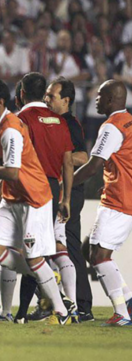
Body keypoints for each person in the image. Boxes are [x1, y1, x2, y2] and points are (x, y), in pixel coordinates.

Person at [0, 78, 71, 325]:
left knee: (32, 258)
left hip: (34, 198)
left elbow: (12, 171)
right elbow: (8, 167)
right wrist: (2, 182)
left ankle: (61, 312)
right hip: (13, 196)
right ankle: (30, 287)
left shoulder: (11, 129)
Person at [12, 73, 75, 323]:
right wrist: (66, 198)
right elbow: (68, 162)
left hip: (29, 187)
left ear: (22, 93)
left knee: (25, 252)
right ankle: (29, 310)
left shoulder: (21, 119)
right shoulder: (60, 121)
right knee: (38, 252)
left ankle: (53, 306)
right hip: (52, 187)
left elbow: (16, 158)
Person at [72, 80, 132, 327]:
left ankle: (121, 314)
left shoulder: (112, 127)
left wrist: (66, 186)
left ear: (110, 99)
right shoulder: (129, 121)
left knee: (98, 255)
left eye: (99, 95)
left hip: (119, 201)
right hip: (122, 195)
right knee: (89, 250)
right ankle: (128, 302)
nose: (95, 99)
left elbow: (93, 165)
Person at [44, 77, 94, 322]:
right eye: (46, 94)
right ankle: (69, 303)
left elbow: (84, 156)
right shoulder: (53, 121)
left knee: (69, 246)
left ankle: (82, 305)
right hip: (61, 192)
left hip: (70, 193)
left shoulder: (69, 123)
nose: (46, 99)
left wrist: (61, 157)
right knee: (59, 247)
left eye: (51, 96)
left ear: (66, 100)